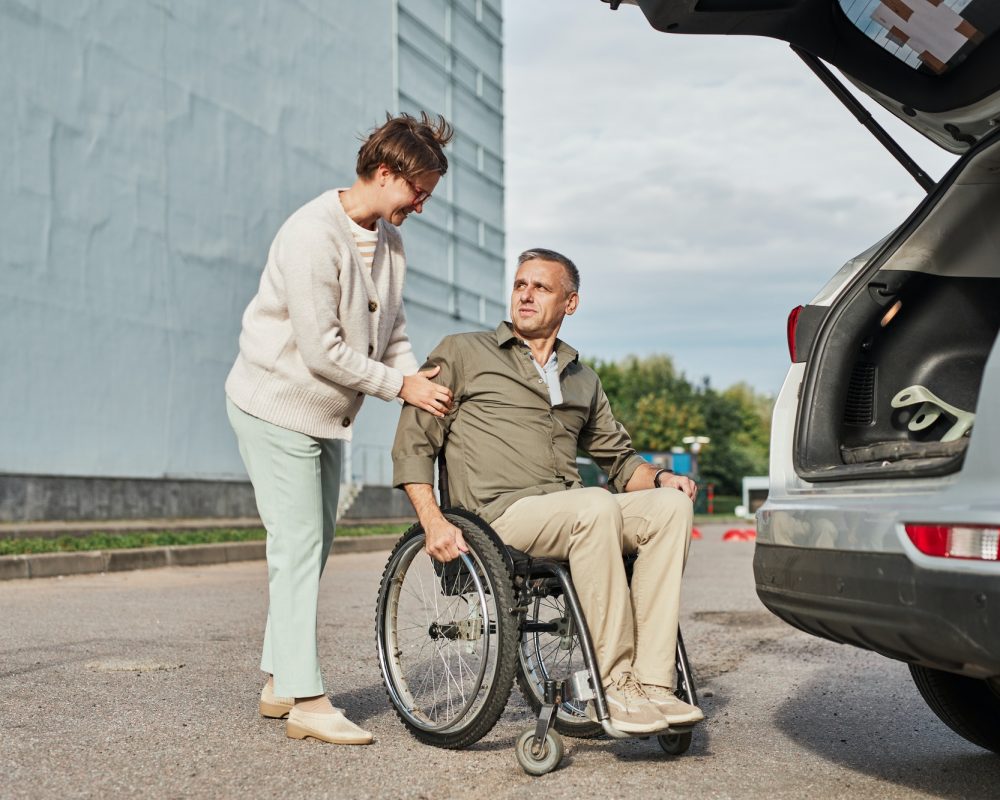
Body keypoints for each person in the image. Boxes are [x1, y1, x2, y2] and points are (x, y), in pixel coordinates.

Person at [392, 248, 704, 735]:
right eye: (520, 285)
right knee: (594, 505)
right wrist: (433, 520)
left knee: (670, 509)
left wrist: (663, 479)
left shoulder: (582, 378)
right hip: (498, 519)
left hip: (574, 513)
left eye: (541, 287)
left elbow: (620, 462)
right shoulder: (463, 353)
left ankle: (654, 683)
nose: (526, 294)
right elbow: (415, 441)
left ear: (570, 303)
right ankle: (616, 683)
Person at [225, 112, 455, 746]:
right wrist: (399, 385)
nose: (421, 204)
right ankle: (305, 699)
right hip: (274, 404)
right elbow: (323, 350)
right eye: (419, 191)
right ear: (386, 174)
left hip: (322, 415)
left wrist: (421, 384)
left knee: (313, 543)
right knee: (296, 547)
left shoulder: (389, 242)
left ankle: (278, 680)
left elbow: (395, 330)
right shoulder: (311, 235)